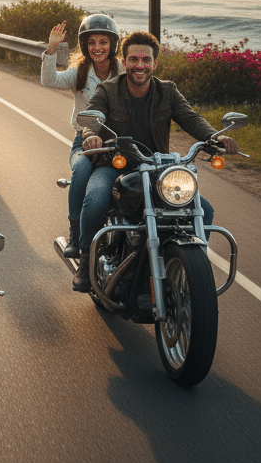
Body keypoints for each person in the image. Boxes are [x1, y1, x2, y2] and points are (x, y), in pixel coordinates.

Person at [73, 31, 239, 292]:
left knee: (202, 209)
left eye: (146, 60)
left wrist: (215, 138)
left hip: (156, 168)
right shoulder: (108, 89)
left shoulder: (168, 91)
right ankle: (86, 259)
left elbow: (191, 118)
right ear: (125, 61)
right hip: (112, 163)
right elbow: (92, 118)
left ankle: (192, 272)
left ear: (155, 63)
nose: (140, 65)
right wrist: (92, 135)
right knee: (95, 198)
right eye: (134, 59)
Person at [41, 15, 124, 258]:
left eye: (103, 42)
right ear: (85, 46)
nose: (97, 48)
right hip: (83, 141)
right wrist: (53, 48)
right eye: (91, 43)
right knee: (81, 171)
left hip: (117, 142)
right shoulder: (79, 71)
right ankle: (75, 234)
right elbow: (49, 80)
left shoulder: (123, 70)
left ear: (113, 44)